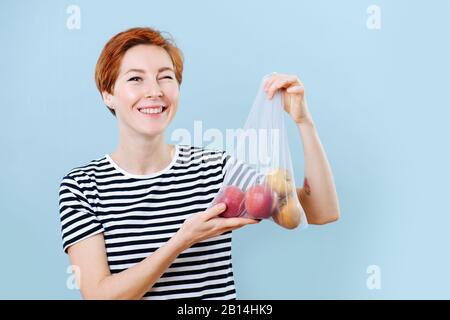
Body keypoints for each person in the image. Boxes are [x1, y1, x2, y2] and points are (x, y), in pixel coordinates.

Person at [58, 27, 340, 300]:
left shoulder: (216, 171)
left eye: (165, 77)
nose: (154, 91)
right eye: (135, 79)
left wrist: (304, 122)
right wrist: (181, 241)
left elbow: (321, 212)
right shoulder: (82, 187)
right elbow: (99, 295)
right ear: (108, 94)